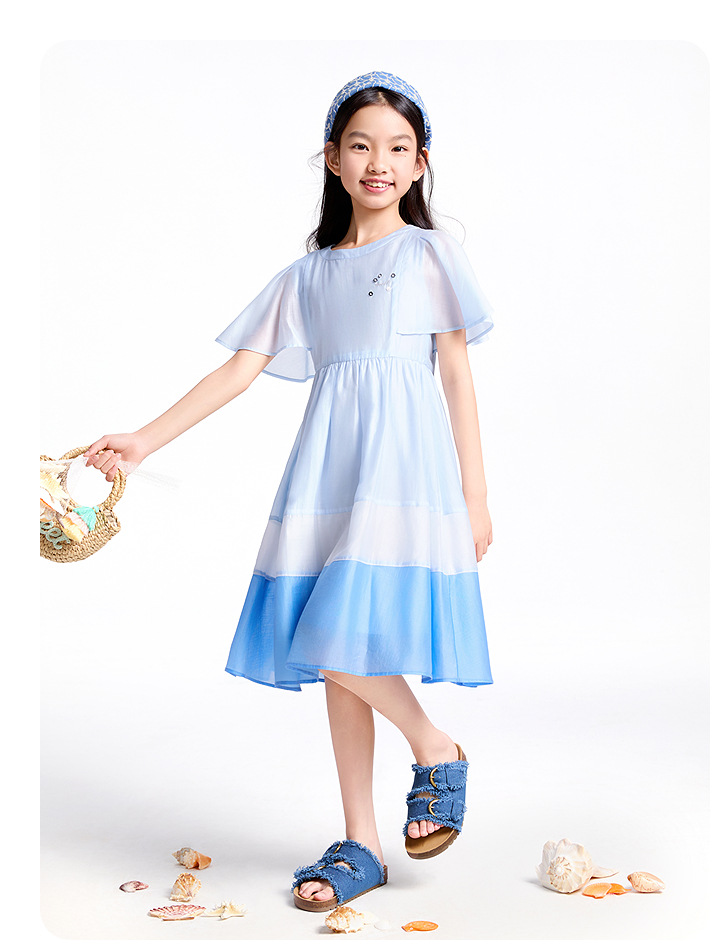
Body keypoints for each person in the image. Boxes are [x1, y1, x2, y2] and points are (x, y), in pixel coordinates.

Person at [84, 71, 494, 913]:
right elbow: (237, 372)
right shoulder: (307, 275)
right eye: (361, 145)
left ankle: (433, 745)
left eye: (398, 148)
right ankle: (362, 842)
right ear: (333, 158)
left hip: (402, 469)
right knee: (336, 651)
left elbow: (456, 374)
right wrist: (145, 439)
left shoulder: (428, 255)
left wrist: (475, 497)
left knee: (335, 635)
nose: (378, 162)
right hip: (329, 466)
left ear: (420, 164)